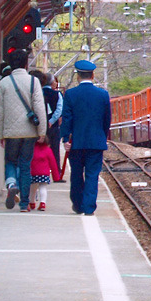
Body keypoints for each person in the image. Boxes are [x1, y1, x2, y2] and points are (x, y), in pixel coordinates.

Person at [0, 49, 47, 212]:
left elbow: (0, 111)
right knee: (25, 165)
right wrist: (42, 131)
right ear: (26, 64)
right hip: (29, 132)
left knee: (10, 161)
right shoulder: (34, 82)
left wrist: (0, 134)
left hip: (11, 132)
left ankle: (11, 184)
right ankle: (24, 204)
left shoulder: (3, 83)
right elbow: (39, 108)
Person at [60, 60, 111, 216]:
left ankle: (77, 204)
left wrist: (65, 139)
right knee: (92, 175)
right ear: (93, 75)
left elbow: (67, 119)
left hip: (76, 142)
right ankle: (89, 207)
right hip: (96, 142)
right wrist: (102, 135)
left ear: (78, 76)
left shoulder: (70, 94)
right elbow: (106, 119)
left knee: (76, 173)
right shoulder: (103, 94)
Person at [40, 72, 64, 176]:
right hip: (53, 126)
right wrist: (51, 121)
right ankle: (56, 174)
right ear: (52, 82)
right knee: (55, 150)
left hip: (40, 126)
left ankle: (41, 172)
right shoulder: (57, 94)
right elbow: (59, 110)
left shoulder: (39, 92)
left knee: (40, 148)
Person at [28, 138, 62, 211]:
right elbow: (53, 164)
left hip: (34, 173)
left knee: (32, 189)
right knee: (43, 187)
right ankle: (43, 203)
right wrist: (56, 177)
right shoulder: (48, 150)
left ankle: (32, 202)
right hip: (44, 173)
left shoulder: (31, 149)